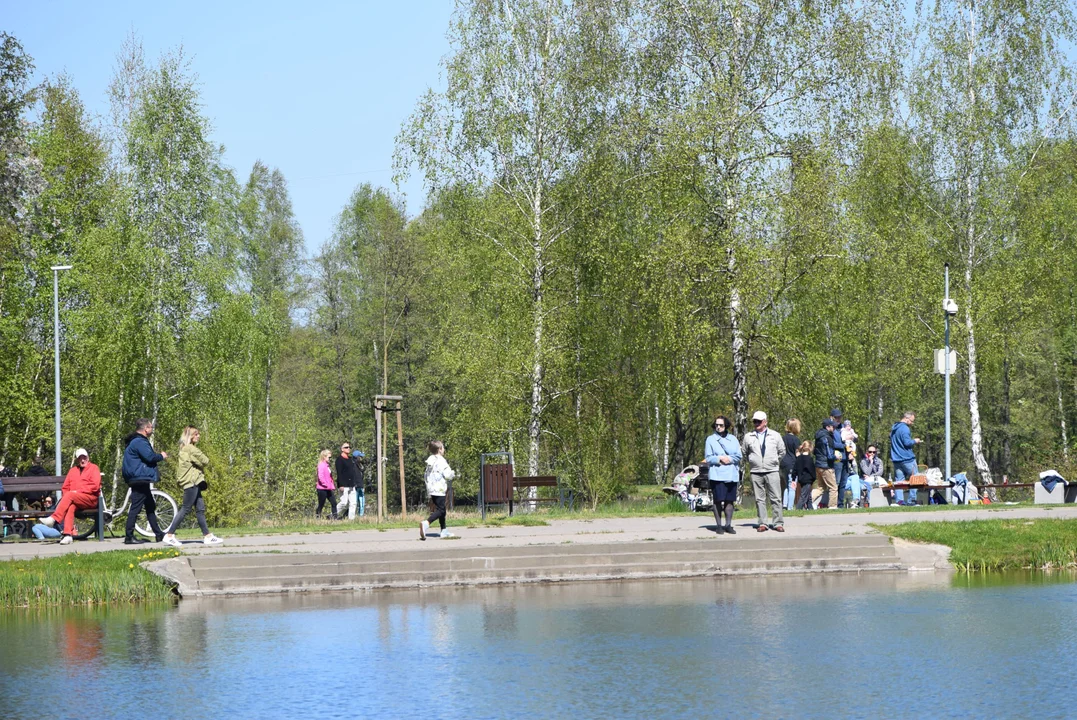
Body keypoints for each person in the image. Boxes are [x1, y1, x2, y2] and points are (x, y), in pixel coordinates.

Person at [162, 426, 222, 547]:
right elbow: (205, 460)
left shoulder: (185, 448)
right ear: (190, 436)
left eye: (198, 434)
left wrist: (196, 462)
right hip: (191, 482)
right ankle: (169, 535)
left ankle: (207, 536)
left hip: (194, 482)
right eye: (196, 434)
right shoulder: (190, 448)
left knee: (200, 509)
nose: (198, 436)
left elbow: (195, 462)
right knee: (185, 509)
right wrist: (198, 462)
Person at [38, 448, 101, 545]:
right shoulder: (72, 471)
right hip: (75, 500)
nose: (82, 460)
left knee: (70, 495)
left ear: (88, 458)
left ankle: (54, 518)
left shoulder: (94, 468)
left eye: (84, 457)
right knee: (70, 506)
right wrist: (69, 497)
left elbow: (95, 486)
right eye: (80, 458)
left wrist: (78, 492)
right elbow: (65, 487)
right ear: (77, 460)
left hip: (90, 499)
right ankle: (67, 535)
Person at [121, 418, 168, 544]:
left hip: (138, 477)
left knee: (150, 506)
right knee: (136, 507)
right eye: (151, 427)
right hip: (139, 478)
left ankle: (159, 534)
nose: (152, 429)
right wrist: (161, 456)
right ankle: (129, 537)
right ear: (146, 428)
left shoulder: (135, 441)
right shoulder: (139, 442)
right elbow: (150, 457)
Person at [741, 411, 786, 532]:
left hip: (772, 470)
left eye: (759, 421)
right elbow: (744, 453)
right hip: (756, 471)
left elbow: (782, 451)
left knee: (776, 498)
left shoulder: (775, 435)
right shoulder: (748, 437)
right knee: (759, 499)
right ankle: (763, 523)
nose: (756, 424)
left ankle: (778, 523)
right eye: (754, 421)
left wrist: (774, 461)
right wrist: (752, 461)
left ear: (765, 422)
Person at [704, 416, 742, 535]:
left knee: (729, 501)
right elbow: (708, 457)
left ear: (726, 426)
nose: (718, 427)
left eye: (721, 425)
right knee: (717, 500)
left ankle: (728, 525)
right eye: (716, 425)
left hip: (731, 474)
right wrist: (719, 458)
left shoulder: (733, 439)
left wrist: (729, 459)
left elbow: (738, 455)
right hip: (717, 474)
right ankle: (719, 525)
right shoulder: (710, 439)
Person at [421, 440, 456, 540]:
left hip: (431, 489)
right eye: (443, 448)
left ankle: (444, 530)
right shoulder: (441, 461)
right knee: (441, 510)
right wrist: (453, 473)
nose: (444, 449)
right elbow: (448, 475)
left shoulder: (430, 460)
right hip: (439, 488)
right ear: (440, 449)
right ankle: (426, 523)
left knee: (442, 510)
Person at [890, 411, 922, 505]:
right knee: (915, 478)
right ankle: (911, 500)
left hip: (896, 459)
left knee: (899, 481)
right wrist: (915, 441)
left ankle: (899, 501)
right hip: (907, 459)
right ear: (906, 419)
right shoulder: (905, 429)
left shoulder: (894, 428)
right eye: (911, 421)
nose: (912, 423)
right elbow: (907, 443)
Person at [813, 419, 841, 509]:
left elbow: (814, 451)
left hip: (818, 465)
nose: (834, 428)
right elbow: (829, 455)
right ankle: (832, 506)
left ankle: (807, 501)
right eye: (832, 426)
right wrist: (835, 457)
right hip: (826, 466)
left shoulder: (818, 436)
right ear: (828, 427)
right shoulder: (827, 438)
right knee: (833, 487)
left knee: (820, 487)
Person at [335, 441, 360, 520]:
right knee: (343, 502)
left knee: (353, 503)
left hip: (351, 485)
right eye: (346, 447)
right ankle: (333, 514)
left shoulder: (350, 459)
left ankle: (351, 519)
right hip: (344, 485)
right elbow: (339, 473)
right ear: (342, 449)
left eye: (349, 447)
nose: (348, 449)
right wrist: (341, 485)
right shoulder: (339, 460)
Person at [829, 408, 849, 507]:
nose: (838, 419)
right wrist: (844, 445)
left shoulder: (843, 428)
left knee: (843, 483)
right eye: (836, 417)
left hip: (846, 458)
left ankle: (841, 504)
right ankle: (834, 503)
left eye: (839, 417)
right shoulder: (830, 429)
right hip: (837, 459)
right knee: (836, 482)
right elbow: (831, 443)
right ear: (832, 417)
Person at [781, 419, 802, 511]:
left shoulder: (783, 438)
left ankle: (784, 505)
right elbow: (797, 453)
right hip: (792, 464)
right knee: (792, 485)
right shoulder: (796, 440)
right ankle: (790, 507)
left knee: (786, 485)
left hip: (783, 464)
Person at [315, 449, 338, 519]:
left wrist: (331, 485)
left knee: (334, 502)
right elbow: (320, 476)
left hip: (328, 488)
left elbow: (329, 477)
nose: (330, 459)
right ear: (324, 457)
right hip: (322, 489)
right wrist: (325, 484)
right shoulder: (321, 465)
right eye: (329, 457)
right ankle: (317, 517)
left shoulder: (327, 466)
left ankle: (335, 517)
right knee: (321, 504)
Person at [794, 441, 816, 509]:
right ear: (810, 448)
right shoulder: (809, 459)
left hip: (801, 479)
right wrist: (814, 477)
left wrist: (793, 477)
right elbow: (811, 470)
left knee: (808, 495)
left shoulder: (799, 458)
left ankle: (810, 508)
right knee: (803, 496)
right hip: (807, 479)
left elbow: (795, 468)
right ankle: (798, 508)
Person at [352, 450, 366, 517]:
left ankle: (361, 515)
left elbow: (361, 476)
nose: (361, 458)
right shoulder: (353, 465)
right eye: (360, 456)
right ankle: (353, 515)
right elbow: (355, 476)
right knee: (355, 502)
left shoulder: (360, 465)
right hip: (356, 485)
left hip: (361, 485)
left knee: (362, 502)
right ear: (357, 457)